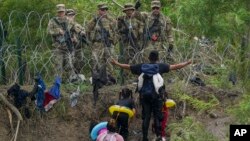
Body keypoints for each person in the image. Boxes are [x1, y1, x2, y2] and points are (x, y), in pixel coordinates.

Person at [111, 50, 191, 141]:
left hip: (145, 97)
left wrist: (116, 63)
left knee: (146, 118)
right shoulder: (161, 66)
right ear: (157, 58)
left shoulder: (142, 66)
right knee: (157, 117)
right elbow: (176, 66)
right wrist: (187, 63)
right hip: (157, 98)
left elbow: (128, 67)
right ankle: (158, 137)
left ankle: (145, 138)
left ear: (148, 58)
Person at [86, 2, 117, 106]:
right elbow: (87, 30)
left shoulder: (111, 19)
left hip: (108, 44)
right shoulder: (94, 20)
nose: (104, 11)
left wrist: (113, 40)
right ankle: (97, 80)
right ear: (98, 10)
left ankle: (110, 79)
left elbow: (116, 30)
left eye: (105, 10)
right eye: (102, 10)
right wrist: (91, 42)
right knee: (97, 62)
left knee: (110, 61)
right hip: (98, 44)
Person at [47, 4, 73, 83]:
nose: (61, 13)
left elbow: (74, 29)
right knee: (58, 66)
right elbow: (48, 31)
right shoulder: (53, 21)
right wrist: (58, 31)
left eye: (62, 11)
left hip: (67, 46)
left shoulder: (68, 21)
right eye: (59, 12)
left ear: (65, 11)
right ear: (57, 12)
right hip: (58, 47)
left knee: (69, 65)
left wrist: (74, 37)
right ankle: (58, 83)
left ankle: (69, 81)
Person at [65, 9, 88, 74]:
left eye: (72, 15)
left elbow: (83, 32)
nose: (71, 17)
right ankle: (69, 76)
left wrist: (81, 34)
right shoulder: (64, 25)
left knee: (79, 60)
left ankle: (77, 75)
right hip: (67, 47)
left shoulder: (77, 25)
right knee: (69, 62)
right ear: (66, 16)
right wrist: (70, 39)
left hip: (78, 46)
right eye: (69, 15)